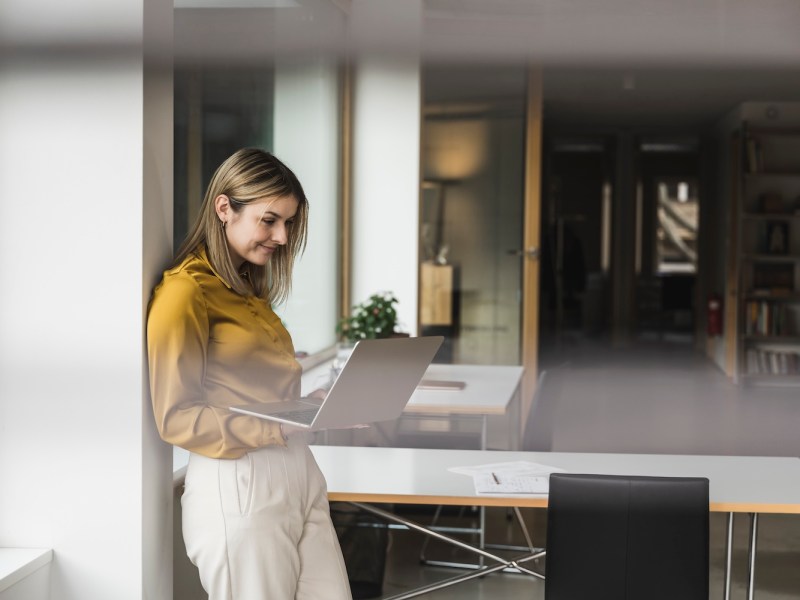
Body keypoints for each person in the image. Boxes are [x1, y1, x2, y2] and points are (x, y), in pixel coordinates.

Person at [147, 148, 352, 600]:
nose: (282, 235)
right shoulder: (185, 292)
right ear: (224, 208)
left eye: (290, 223)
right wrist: (277, 423)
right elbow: (176, 417)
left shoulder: (246, 290)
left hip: (298, 474)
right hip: (240, 486)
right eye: (269, 219)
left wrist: (310, 406)